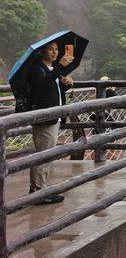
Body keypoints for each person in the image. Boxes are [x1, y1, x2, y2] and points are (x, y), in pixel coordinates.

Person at [26, 41, 74, 203]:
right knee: (43, 155)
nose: (54, 52)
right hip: (44, 117)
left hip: (54, 115)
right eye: (50, 49)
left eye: (56, 49)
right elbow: (40, 85)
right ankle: (38, 193)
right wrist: (60, 67)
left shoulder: (50, 70)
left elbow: (51, 89)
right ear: (42, 52)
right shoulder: (36, 68)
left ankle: (40, 189)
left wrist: (64, 85)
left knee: (47, 155)